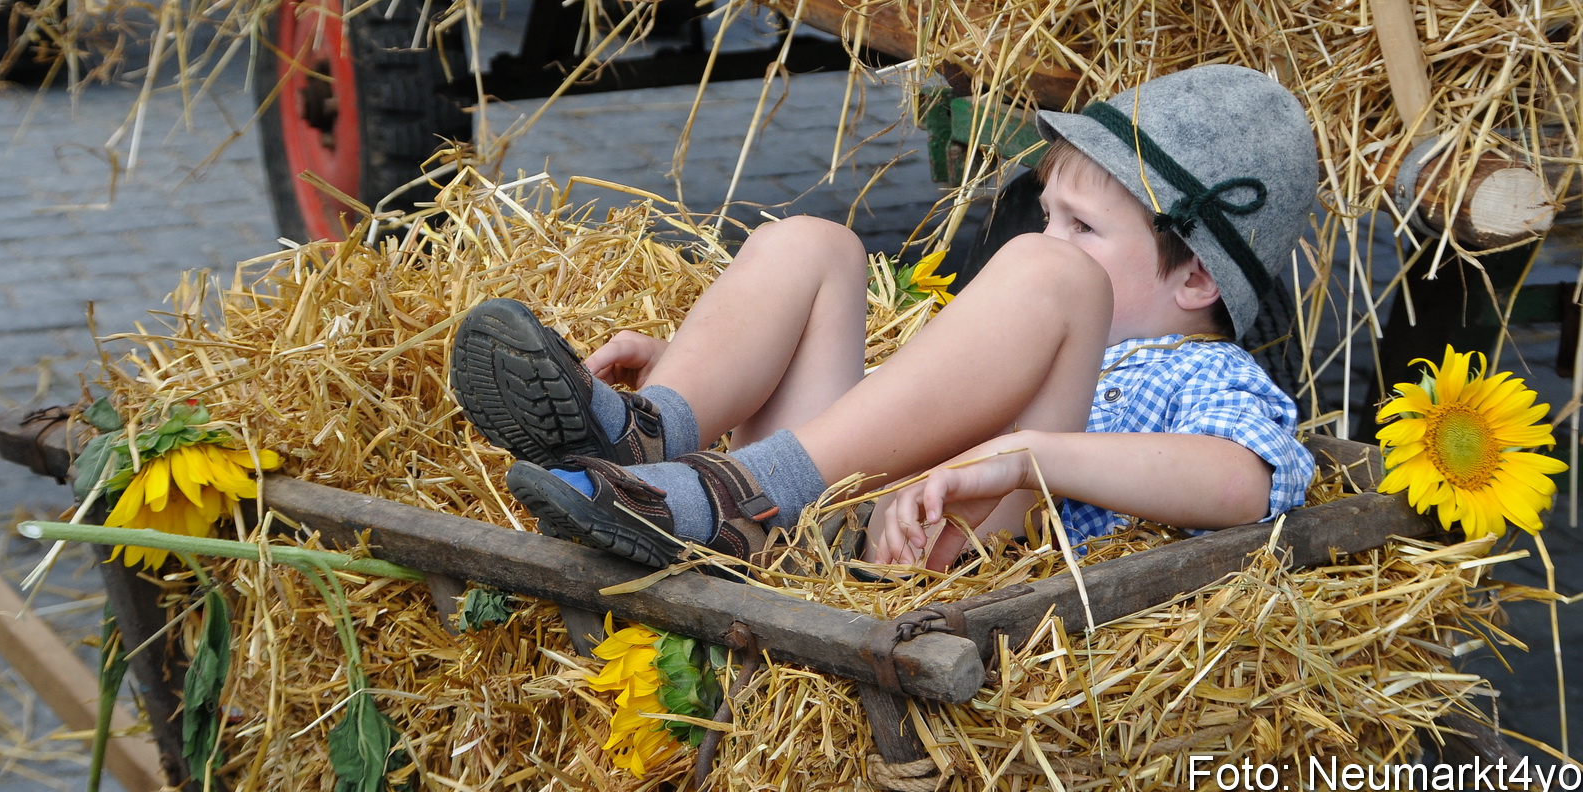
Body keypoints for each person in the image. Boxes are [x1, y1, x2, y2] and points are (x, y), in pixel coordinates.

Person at [449, 64, 1318, 571]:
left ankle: (733, 493)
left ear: (1197, 277)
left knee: (1054, 282)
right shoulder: (1030, 322)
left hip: (947, 558)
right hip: (832, 512)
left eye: (1083, 227)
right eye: (1049, 214)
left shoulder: (1207, 373)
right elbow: (885, 407)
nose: (1053, 239)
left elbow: (1245, 481)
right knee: (815, 246)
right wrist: (697, 362)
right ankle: (655, 436)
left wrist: (1032, 456)